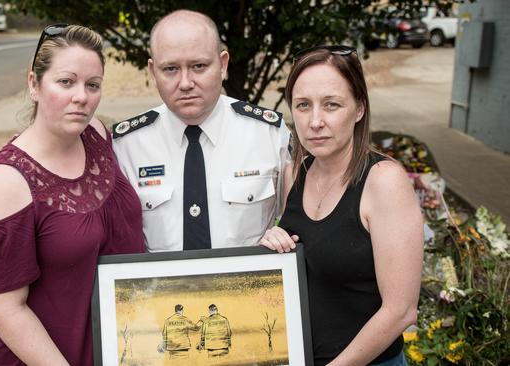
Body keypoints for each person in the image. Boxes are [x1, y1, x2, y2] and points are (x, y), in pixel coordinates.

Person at [0, 24, 144, 365]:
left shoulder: (97, 135)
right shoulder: (5, 183)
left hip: (120, 347)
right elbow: (4, 310)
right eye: (66, 82)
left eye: (93, 85)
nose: (81, 97)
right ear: (34, 84)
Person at [259, 45, 424, 365]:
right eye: (303, 105)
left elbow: (401, 310)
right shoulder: (300, 172)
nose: (315, 121)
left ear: (359, 108)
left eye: (331, 105)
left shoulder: (383, 181)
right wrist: (273, 241)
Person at [112, 10, 293, 252]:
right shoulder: (126, 146)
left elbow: (299, 222)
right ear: (153, 72)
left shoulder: (268, 134)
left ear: (223, 65)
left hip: (247, 287)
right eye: (170, 69)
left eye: (198, 66)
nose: (185, 83)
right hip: (161, 289)